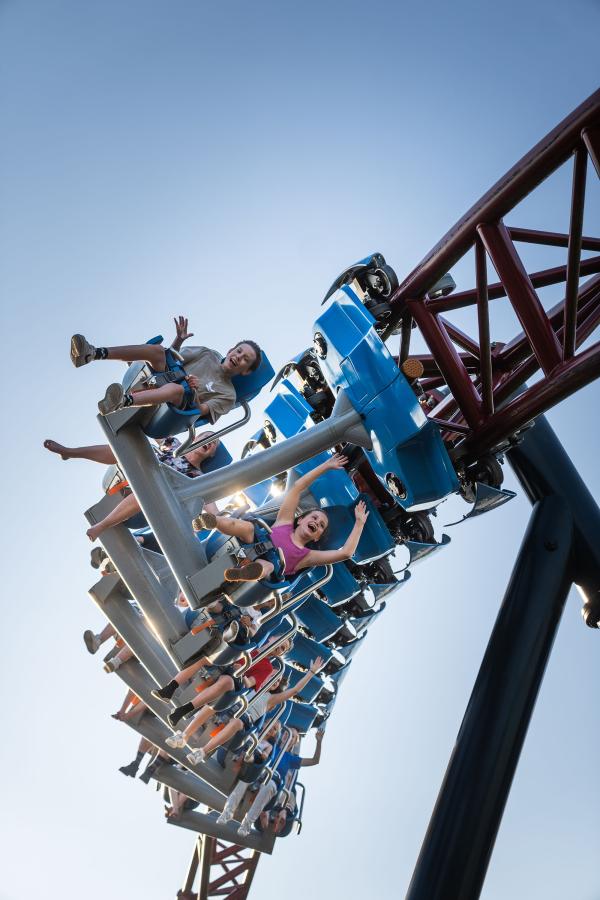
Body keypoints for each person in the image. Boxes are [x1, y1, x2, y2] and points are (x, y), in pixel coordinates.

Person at [192, 453, 369, 582]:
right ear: (300, 519)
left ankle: (244, 573)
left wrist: (359, 523)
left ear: (317, 537)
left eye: (321, 525)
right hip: (254, 541)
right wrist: (326, 466)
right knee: (247, 527)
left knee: (267, 567)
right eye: (315, 517)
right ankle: (211, 521)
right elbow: (297, 487)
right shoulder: (284, 522)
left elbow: (345, 553)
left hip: (271, 563)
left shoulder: (308, 556)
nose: (316, 522)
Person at [69, 316, 262, 419]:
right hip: (167, 375)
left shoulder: (228, 395)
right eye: (238, 351)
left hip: (181, 401)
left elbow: (201, 410)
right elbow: (173, 356)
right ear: (230, 350)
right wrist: (178, 340)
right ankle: (92, 353)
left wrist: (194, 391)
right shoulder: (207, 353)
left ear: (246, 371)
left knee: (177, 389)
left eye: (245, 359)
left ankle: (122, 401)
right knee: (158, 350)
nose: (238, 357)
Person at [169, 656, 323, 763]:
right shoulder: (253, 684)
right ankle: (184, 735)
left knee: (236, 723)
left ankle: (202, 751)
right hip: (232, 705)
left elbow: (295, 690)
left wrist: (311, 673)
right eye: (272, 676)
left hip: (244, 717)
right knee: (216, 704)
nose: (273, 681)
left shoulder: (271, 698)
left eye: (277, 682)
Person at [84, 433, 220, 541]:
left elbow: (213, 511)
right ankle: (74, 452)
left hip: (146, 504)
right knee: (130, 448)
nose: (209, 441)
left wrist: (221, 519)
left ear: (212, 454)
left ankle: (102, 525)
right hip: (128, 479)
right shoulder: (173, 443)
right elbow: (154, 430)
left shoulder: (198, 478)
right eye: (206, 437)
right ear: (195, 438)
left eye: (214, 442)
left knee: (150, 487)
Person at [154, 636, 293, 729]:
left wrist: (241, 671)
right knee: (208, 658)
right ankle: (169, 689)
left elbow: (249, 683)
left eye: (283, 648)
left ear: (280, 654)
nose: (279, 646)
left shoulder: (267, 668)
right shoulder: (254, 644)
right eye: (280, 641)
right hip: (225, 662)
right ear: (272, 638)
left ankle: (182, 710)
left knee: (227, 681)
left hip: (233, 677)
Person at [218, 727, 324, 836]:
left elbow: (314, 761)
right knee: (248, 777)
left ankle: (247, 823)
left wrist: (319, 742)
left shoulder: (291, 759)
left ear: (293, 742)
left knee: (269, 785)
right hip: (261, 773)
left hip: (273, 779)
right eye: (287, 733)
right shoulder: (272, 747)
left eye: (292, 736)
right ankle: (227, 812)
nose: (288, 736)